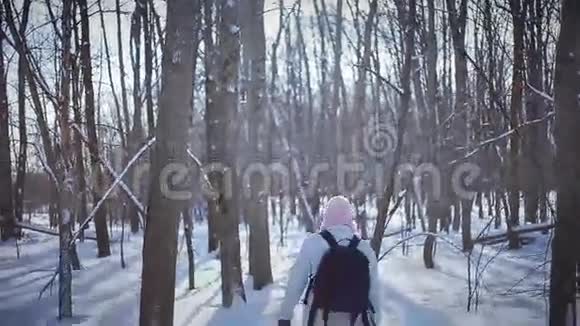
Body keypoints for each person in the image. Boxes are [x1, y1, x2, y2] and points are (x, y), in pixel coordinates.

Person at [278, 196, 381, 326]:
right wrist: (376, 320)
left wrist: (285, 316)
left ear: (326, 216)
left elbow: (296, 282)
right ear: (350, 218)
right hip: (355, 319)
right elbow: (374, 291)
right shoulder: (364, 248)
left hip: (319, 317)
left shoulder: (313, 243)